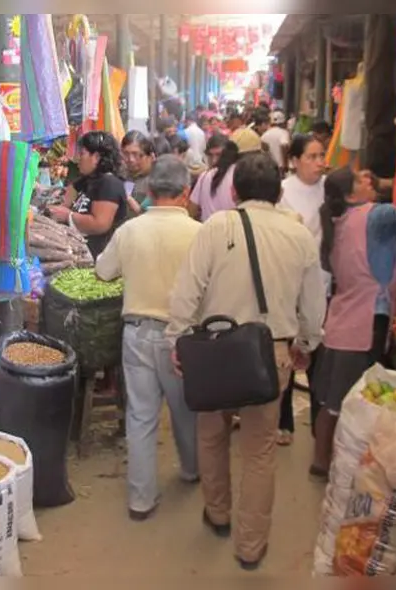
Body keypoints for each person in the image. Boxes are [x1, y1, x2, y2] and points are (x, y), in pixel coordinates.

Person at [167, 153, 325, 571]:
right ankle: (250, 546)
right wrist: (306, 344)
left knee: (212, 433)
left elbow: (187, 290)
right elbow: (312, 302)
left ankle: (218, 514)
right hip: (271, 353)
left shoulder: (216, 227)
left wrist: (177, 339)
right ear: (278, 191)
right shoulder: (299, 234)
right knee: (259, 451)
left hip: (215, 348)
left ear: (234, 191)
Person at [95, 156, 201, 522]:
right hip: (184, 339)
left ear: (151, 191)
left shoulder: (131, 231)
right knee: (187, 411)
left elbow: (103, 271)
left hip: (137, 334)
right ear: (185, 193)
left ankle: (140, 500)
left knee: (140, 417)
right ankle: (190, 469)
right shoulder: (200, 234)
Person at [311, 168, 396, 479]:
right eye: (360, 180)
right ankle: (337, 465)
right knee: (350, 402)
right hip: (365, 322)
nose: (368, 180)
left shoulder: (338, 221)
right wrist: (395, 181)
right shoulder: (375, 216)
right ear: (350, 195)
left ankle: (321, 462)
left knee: (330, 401)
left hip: (340, 320)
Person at [275, 134, 329, 445]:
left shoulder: (328, 190)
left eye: (321, 155)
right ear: (295, 161)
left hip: (321, 279)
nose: (319, 162)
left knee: (317, 353)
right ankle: (284, 423)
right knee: (286, 353)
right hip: (288, 281)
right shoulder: (282, 192)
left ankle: (318, 427)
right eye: (311, 156)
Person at [50, 131, 128, 258]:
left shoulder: (109, 184)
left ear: (96, 157)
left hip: (99, 259)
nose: (78, 158)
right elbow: (68, 198)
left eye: (82, 154)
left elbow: (100, 224)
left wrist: (67, 216)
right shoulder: (88, 180)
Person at [189, 129, 262, 222]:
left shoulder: (205, 176)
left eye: (219, 155)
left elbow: (191, 211)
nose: (214, 160)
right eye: (210, 155)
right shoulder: (247, 178)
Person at [121, 131, 156, 215]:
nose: (130, 159)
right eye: (126, 154)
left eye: (135, 154)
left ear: (150, 157)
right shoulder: (123, 175)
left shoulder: (157, 181)